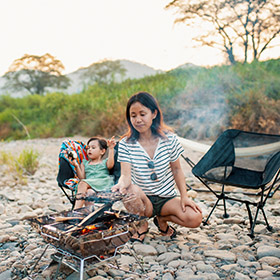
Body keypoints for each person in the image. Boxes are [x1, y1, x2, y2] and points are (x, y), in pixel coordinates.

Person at [112, 92, 202, 242]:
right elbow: (125, 176)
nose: (138, 119)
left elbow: (177, 170)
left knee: (195, 218)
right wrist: (120, 186)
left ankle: (161, 219)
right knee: (129, 190)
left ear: (154, 113)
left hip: (166, 198)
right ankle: (142, 224)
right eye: (133, 116)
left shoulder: (169, 139)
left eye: (142, 114)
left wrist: (184, 197)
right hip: (143, 200)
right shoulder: (126, 143)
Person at [70, 136, 116, 209]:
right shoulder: (84, 163)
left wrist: (111, 148)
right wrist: (76, 166)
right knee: (88, 192)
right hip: (91, 186)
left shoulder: (105, 162)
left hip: (103, 183)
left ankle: (76, 210)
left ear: (102, 151)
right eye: (88, 148)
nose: (89, 150)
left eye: (93, 148)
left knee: (82, 184)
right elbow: (82, 177)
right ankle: (90, 212)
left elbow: (110, 165)